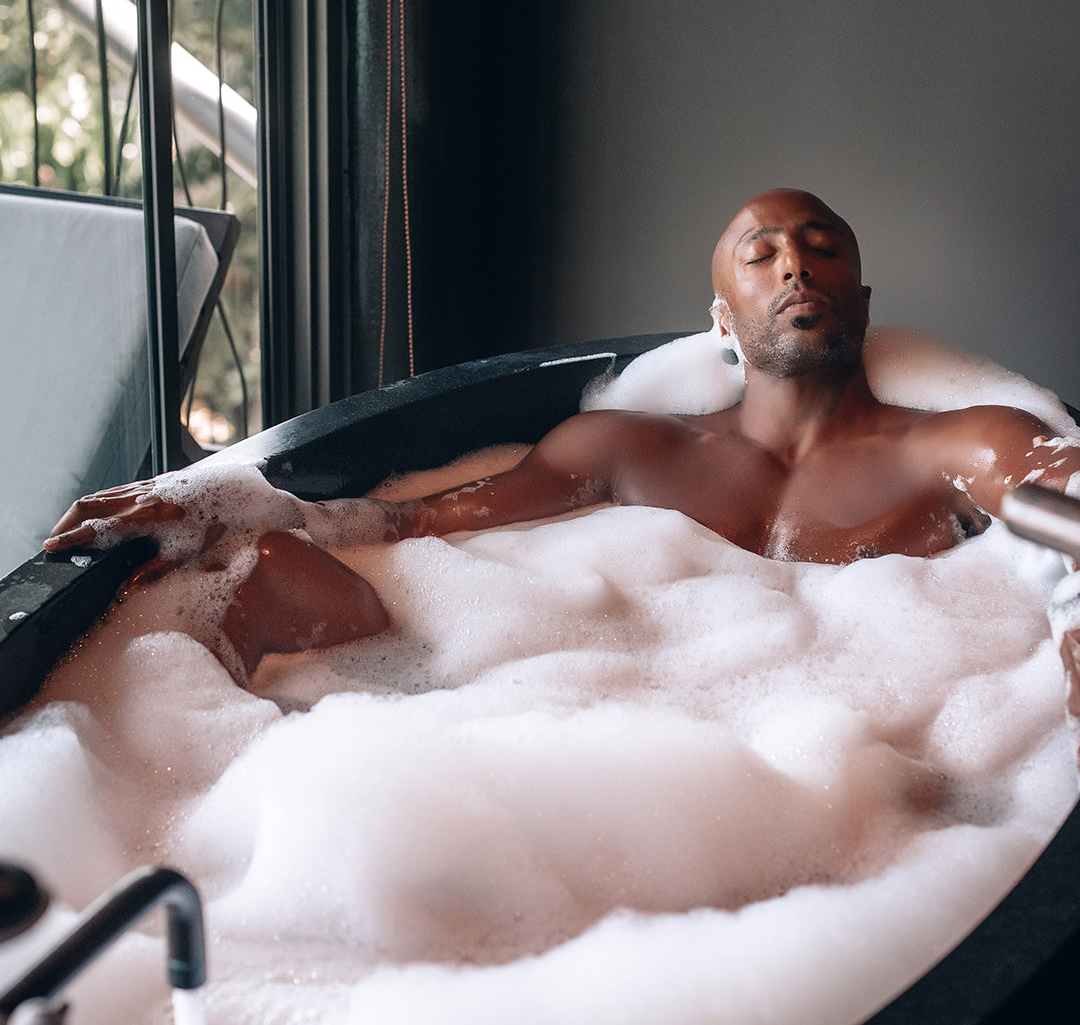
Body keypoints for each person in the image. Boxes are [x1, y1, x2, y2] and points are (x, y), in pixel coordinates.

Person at [44, 189, 1080, 683]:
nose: (796, 268)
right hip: (606, 727)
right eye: (760, 256)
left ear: (862, 294)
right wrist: (224, 491)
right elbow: (403, 522)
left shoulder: (957, 440)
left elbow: (1063, 502)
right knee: (273, 570)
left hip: (892, 765)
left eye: (823, 249)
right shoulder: (628, 452)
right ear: (720, 319)